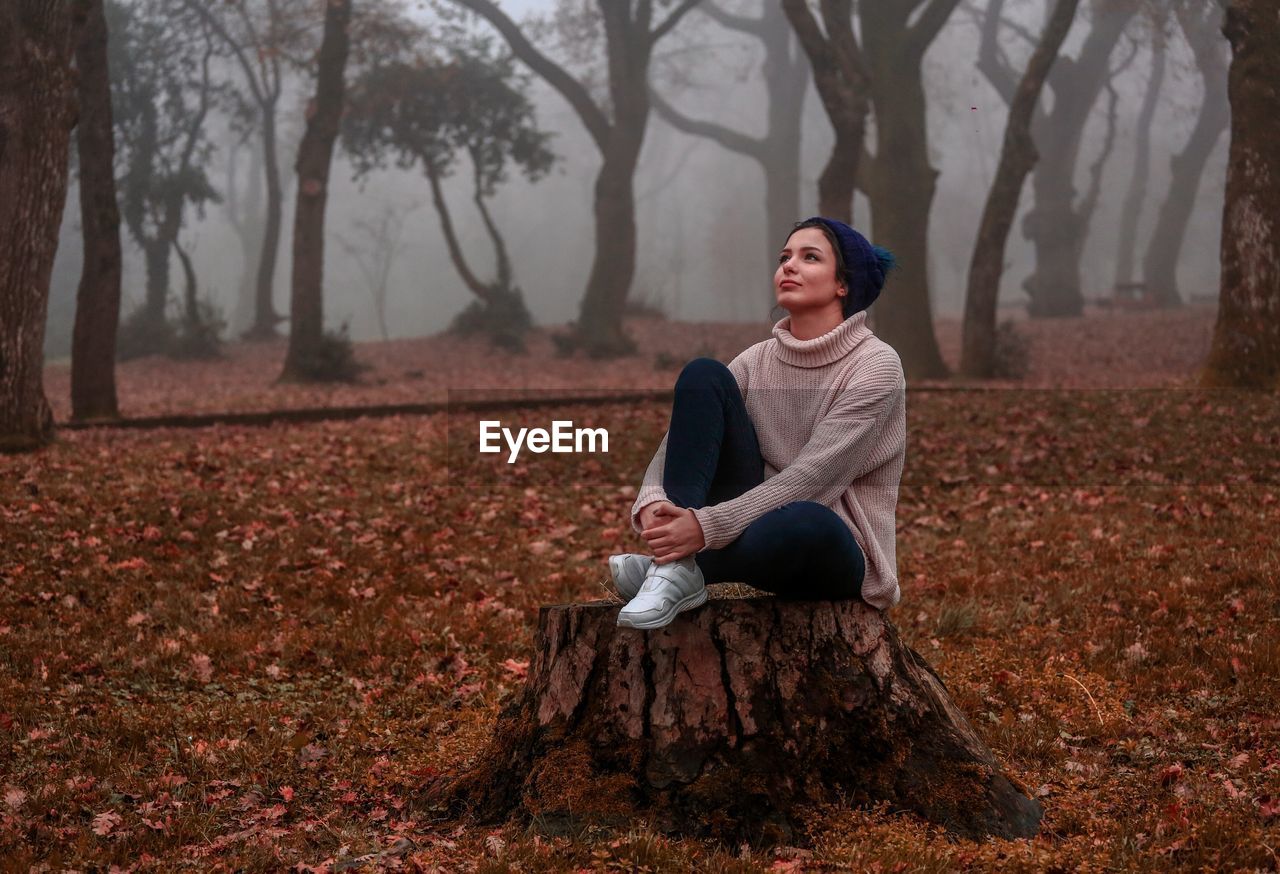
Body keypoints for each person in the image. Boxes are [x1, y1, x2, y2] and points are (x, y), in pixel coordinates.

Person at [610, 217, 907, 630]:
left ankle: (684, 566)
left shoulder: (876, 366)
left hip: (832, 544)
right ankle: (677, 567)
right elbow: (679, 442)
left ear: (843, 284)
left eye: (810, 257)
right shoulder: (756, 359)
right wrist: (655, 500)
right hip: (749, 521)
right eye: (785, 257)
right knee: (703, 375)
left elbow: (814, 479)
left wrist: (703, 527)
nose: (789, 265)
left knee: (805, 520)